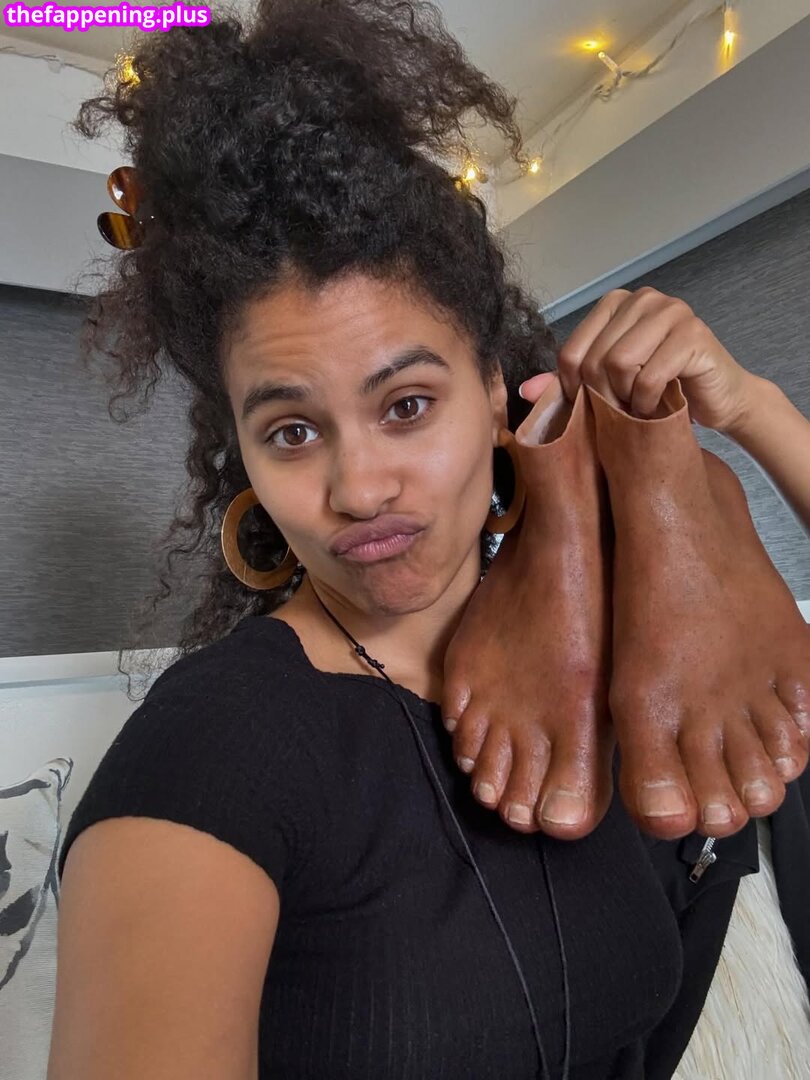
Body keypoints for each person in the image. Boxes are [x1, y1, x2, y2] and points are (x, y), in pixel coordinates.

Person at [48, 2, 810, 1078]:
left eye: (406, 405)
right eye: (293, 430)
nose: (359, 489)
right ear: (243, 454)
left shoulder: (613, 655)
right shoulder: (214, 749)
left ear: (497, 393)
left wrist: (756, 408)